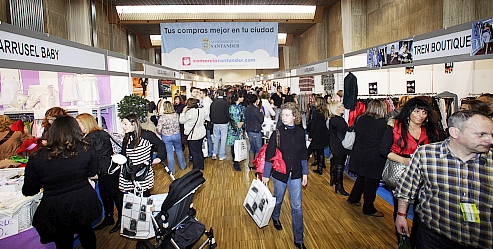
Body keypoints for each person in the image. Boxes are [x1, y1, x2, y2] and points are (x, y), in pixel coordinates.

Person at [395, 110, 493, 249]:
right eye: (481, 135)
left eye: (491, 134)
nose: (490, 140)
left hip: (482, 239)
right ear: (455, 132)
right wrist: (401, 214)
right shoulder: (426, 154)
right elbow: (407, 187)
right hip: (434, 236)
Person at [22, 115, 101, 249]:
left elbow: (29, 190)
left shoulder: (38, 157)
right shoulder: (86, 150)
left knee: (63, 240)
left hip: (56, 205)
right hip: (83, 200)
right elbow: (92, 172)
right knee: (86, 232)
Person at [380, 97, 439, 243]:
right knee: (401, 208)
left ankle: (418, 239)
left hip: (424, 174)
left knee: (422, 209)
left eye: (424, 112)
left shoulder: (431, 131)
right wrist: (404, 160)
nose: (420, 115)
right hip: (401, 172)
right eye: (417, 111)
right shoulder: (395, 127)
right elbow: (383, 150)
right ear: (409, 112)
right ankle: (403, 239)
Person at [262, 102, 308, 249]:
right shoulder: (277, 133)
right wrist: (266, 175)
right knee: (278, 199)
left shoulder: (301, 133)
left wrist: (305, 172)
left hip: (296, 174)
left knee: (297, 207)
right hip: (279, 174)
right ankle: (275, 216)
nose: (284, 117)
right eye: (282, 115)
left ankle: (299, 239)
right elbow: (269, 155)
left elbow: (303, 154)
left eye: (287, 115)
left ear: (295, 116)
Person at [118, 114, 166, 233]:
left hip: (143, 174)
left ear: (134, 124)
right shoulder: (127, 137)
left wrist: (159, 158)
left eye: (125, 124)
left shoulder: (147, 135)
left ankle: (148, 225)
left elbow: (161, 145)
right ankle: (138, 225)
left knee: (144, 199)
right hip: (129, 174)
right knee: (133, 200)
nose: (123, 127)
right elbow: (124, 153)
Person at [76, 113, 118, 233]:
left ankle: (115, 219)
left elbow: (92, 155)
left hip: (105, 169)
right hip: (109, 168)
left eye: (78, 123)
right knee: (108, 194)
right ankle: (112, 218)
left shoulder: (91, 138)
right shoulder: (100, 133)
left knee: (113, 195)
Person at [346, 100, 388, 217]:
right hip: (374, 156)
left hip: (359, 153)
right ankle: (368, 207)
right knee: (371, 182)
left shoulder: (361, 119)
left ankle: (354, 198)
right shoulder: (382, 123)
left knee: (362, 177)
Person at [156, 101, 187, 174]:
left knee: (169, 152)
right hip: (176, 135)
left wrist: (161, 133)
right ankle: (183, 166)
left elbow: (158, 129)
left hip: (166, 136)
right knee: (179, 150)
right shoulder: (176, 115)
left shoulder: (162, 117)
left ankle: (171, 170)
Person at [327, 101, 350, 196]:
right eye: (340, 106)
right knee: (340, 164)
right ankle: (339, 186)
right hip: (340, 145)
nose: (343, 108)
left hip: (334, 143)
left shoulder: (332, 119)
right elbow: (345, 131)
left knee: (336, 161)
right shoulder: (339, 120)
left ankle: (333, 178)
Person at [179, 98, 206, 170]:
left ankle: (196, 168)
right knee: (199, 150)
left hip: (193, 135)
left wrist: (183, 112)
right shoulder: (201, 110)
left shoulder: (189, 113)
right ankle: (201, 165)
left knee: (194, 152)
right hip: (201, 133)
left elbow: (181, 121)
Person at [307, 96, 330, 175]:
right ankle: (321, 165)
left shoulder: (316, 112)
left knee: (311, 149)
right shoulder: (325, 111)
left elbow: (313, 125)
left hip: (317, 134)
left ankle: (319, 167)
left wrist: (310, 134)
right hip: (323, 134)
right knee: (320, 150)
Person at [227, 91, 245, 171]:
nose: (243, 98)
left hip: (239, 129)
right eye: (242, 97)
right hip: (233, 129)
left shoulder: (241, 107)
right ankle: (235, 161)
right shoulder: (232, 107)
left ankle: (238, 158)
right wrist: (238, 124)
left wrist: (242, 122)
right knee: (234, 146)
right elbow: (232, 118)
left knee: (238, 145)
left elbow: (243, 117)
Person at [244, 93, 264, 169]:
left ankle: (250, 163)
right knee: (258, 149)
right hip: (256, 131)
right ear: (256, 101)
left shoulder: (247, 109)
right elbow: (261, 120)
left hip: (249, 130)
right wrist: (261, 113)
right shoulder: (256, 110)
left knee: (252, 148)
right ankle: (258, 165)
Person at [210, 89, 230, 160]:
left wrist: (212, 120)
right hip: (224, 123)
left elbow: (211, 113)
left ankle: (214, 153)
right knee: (223, 139)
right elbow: (228, 113)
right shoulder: (226, 103)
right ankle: (221, 155)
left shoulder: (213, 103)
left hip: (215, 123)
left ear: (217, 94)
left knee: (216, 138)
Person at [200, 88, 214, 157]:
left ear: (204, 94)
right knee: (208, 137)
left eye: (200, 93)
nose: (199, 94)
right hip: (208, 120)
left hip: (207, 121)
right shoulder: (207, 100)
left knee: (208, 137)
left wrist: (203, 119)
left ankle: (210, 152)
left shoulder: (206, 101)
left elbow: (206, 112)